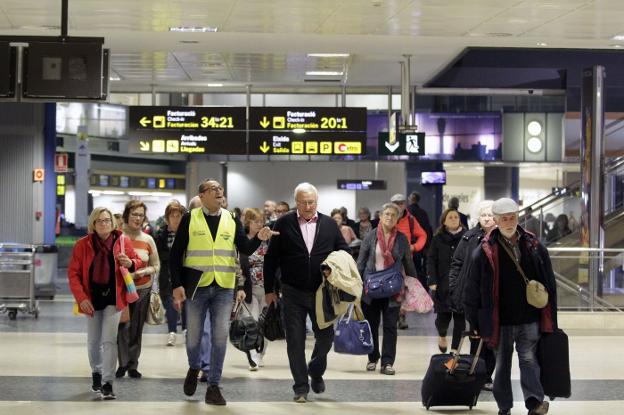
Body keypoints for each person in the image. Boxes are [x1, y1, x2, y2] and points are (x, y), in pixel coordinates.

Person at [170, 178, 276, 406]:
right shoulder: (190, 218)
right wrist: (176, 285)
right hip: (197, 286)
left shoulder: (231, 218)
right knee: (194, 337)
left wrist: (258, 238)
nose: (219, 191)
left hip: (224, 287)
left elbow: (244, 249)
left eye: (220, 188)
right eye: (213, 188)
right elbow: (175, 254)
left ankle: (214, 386)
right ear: (202, 195)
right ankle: (194, 366)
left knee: (219, 337)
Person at [464, 198, 558, 415]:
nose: (508, 222)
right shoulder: (484, 250)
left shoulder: (533, 245)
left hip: (529, 317)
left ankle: (534, 403)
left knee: (529, 360)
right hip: (500, 320)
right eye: (504, 218)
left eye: (512, 217)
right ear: (496, 220)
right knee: (502, 365)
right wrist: (474, 321)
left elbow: (549, 283)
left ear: (518, 217)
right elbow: (472, 289)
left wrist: (551, 316)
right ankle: (504, 406)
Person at [263, 182, 349, 403]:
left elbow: (344, 253)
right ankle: (300, 387)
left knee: (326, 338)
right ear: (297, 203)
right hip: (292, 292)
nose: (308, 206)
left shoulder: (329, 224)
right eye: (304, 202)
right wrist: (269, 290)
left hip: (322, 293)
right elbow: (271, 259)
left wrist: (335, 269)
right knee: (295, 341)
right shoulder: (283, 223)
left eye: (312, 202)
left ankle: (316, 370)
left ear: (316, 202)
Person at [67, 207, 142, 400]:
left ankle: (108, 383)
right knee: (93, 341)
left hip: (114, 297)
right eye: (100, 220)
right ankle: (97, 373)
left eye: (107, 220)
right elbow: (73, 274)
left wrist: (130, 263)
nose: (104, 224)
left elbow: (137, 261)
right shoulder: (82, 244)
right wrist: (81, 298)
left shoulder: (122, 241)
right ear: (93, 223)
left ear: (113, 222)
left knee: (109, 340)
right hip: (91, 298)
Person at [357, 203, 417, 375]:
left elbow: (408, 262)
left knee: (390, 326)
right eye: (387, 214)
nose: (390, 217)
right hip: (371, 288)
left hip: (393, 289)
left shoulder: (402, 239)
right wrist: (356, 286)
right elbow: (361, 262)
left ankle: (387, 362)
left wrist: (414, 284)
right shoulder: (370, 236)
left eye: (393, 215)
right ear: (381, 216)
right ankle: (372, 357)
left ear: (397, 218)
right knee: (371, 325)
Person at [448, 200, 496, 391]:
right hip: (473, 297)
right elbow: (457, 263)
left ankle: (487, 375)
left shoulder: (501, 238)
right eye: (483, 215)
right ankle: (476, 372)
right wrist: (454, 287)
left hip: (494, 297)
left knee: (491, 338)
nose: (486, 218)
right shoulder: (469, 237)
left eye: (490, 215)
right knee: (475, 336)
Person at [116, 200, 160, 379]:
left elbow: (156, 264)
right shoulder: (117, 236)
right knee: (122, 327)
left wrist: (144, 271)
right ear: (126, 215)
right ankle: (122, 363)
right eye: (134, 214)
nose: (137, 218)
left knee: (136, 328)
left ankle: (133, 364)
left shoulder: (148, 239)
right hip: (121, 290)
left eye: (141, 215)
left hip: (142, 289)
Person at [427, 209, 467, 355]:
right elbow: (431, 260)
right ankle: (442, 335)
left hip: (461, 285)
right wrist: (432, 280)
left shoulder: (467, 237)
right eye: (450, 217)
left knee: (460, 320)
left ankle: (455, 350)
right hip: (442, 284)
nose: (453, 219)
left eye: (456, 217)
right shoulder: (437, 238)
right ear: (444, 221)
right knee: (442, 319)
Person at [389, 193, 428, 329]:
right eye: (396, 203)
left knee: (403, 290)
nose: (399, 205)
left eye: (401, 203)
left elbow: (422, 235)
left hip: (405, 262)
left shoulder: (410, 219)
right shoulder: (387, 217)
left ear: (405, 204)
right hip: (387, 261)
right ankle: (392, 315)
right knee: (390, 289)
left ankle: (401, 316)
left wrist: (414, 247)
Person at [239, 208, 270, 370]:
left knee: (264, 323)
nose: (259, 224)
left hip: (266, 287)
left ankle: (261, 354)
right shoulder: (243, 241)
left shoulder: (268, 240)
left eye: (261, 221)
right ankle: (251, 356)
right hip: (249, 288)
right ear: (248, 222)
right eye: (255, 221)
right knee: (251, 322)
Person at [155, 200, 187, 347]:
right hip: (166, 276)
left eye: (178, 215)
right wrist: (174, 256)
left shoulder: (187, 233)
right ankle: (172, 332)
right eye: (172, 216)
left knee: (186, 303)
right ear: (167, 218)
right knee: (169, 303)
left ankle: (186, 330)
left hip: (185, 275)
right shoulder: (160, 235)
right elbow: (160, 255)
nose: (175, 218)